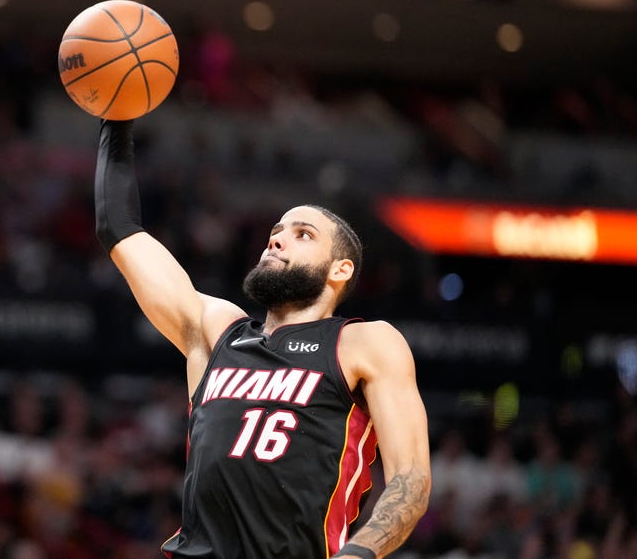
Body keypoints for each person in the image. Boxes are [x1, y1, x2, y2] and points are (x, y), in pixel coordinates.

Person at [93, 119, 430, 558]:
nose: (277, 240)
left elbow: (410, 480)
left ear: (339, 270)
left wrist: (359, 554)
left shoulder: (364, 343)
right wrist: (116, 119)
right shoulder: (216, 330)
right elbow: (118, 228)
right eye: (275, 232)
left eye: (302, 234)